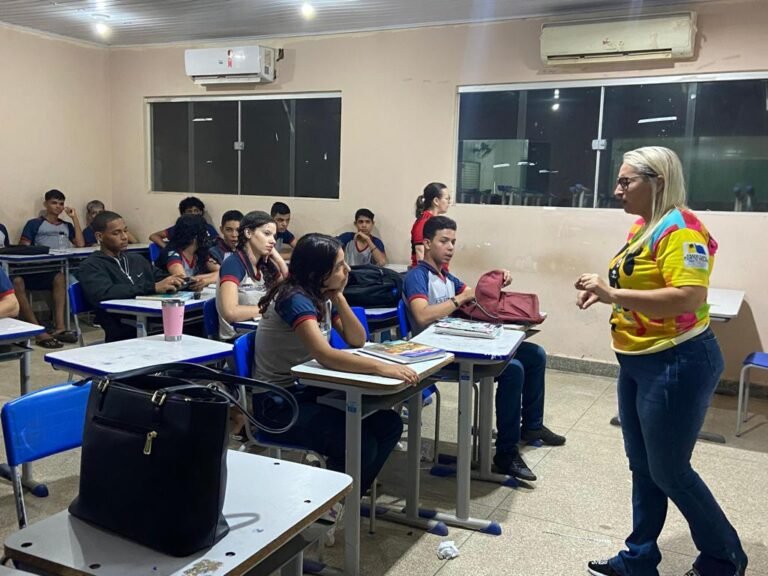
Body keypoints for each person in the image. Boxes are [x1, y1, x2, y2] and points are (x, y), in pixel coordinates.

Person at [575, 147, 747, 576]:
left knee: (670, 470)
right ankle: (639, 558)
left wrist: (613, 294)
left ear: (658, 182)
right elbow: (641, 278)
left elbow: (689, 295)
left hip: (677, 361)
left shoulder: (682, 229)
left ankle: (724, 559)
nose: (617, 190)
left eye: (626, 181)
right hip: (638, 360)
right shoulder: (644, 226)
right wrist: (605, 293)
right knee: (643, 466)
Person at [403, 215, 564, 481]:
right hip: (436, 353)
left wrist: (497, 279)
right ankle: (506, 454)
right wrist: (459, 298)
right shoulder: (417, 277)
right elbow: (421, 316)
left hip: (459, 343)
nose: (451, 247)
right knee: (512, 370)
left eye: (454, 241)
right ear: (428, 243)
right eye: (444, 241)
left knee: (535, 355)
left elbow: (478, 295)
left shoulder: (446, 276)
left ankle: (532, 427)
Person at [253, 233, 416, 496]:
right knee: (360, 443)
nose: (348, 269)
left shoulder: (321, 295)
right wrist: (379, 367)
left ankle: (345, 499)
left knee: (389, 424)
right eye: (340, 266)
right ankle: (330, 504)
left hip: (311, 393)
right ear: (318, 272)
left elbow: (357, 338)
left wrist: (339, 297)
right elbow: (325, 354)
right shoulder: (294, 298)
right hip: (279, 404)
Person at [79, 211, 185, 342]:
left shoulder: (136, 259)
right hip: (120, 324)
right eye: (116, 233)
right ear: (100, 236)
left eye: (125, 231)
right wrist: (153, 287)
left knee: (191, 321)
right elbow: (105, 292)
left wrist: (187, 282)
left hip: (150, 318)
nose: (124, 237)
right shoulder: (91, 266)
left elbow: (161, 277)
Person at [13, 189, 83, 347]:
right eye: (54, 203)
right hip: (35, 269)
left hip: (58, 269)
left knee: (60, 278)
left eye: (61, 203)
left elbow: (80, 244)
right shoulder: (34, 224)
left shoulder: (66, 225)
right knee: (17, 282)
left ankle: (60, 327)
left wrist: (74, 218)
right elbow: (23, 248)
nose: (58, 206)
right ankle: (38, 331)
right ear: (46, 204)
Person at [216, 211, 288, 341]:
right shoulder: (233, 264)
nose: (272, 241)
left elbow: (292, 288)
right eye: (267, 234)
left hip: (264, 333)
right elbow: (230, 312)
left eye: (274, 236)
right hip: (238, 339)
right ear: (248, 233)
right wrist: (270, 309)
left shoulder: (266, 264)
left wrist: (278, 259)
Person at [155, 214, 220, 291]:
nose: (207, 235)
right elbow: (183, 280)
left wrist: (206, 281)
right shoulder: (172, 252)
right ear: (195, 236)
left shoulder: (200, 252)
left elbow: (222, 271)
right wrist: (207, 278)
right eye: (204, 232)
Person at [149, 196, 219, 247]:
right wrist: (167, 248)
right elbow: (153, 236)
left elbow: (218, 243)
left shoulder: (208, 228)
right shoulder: (179, 229)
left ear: (201, 212)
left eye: (196, 210)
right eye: (189, 211)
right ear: (183, 214)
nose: (193, 214)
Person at [410, 182, 451, 268]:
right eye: (447, 199)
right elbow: (420, 253)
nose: (449, 202)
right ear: (436, 201)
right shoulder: (424, 222)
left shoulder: (437, 221)